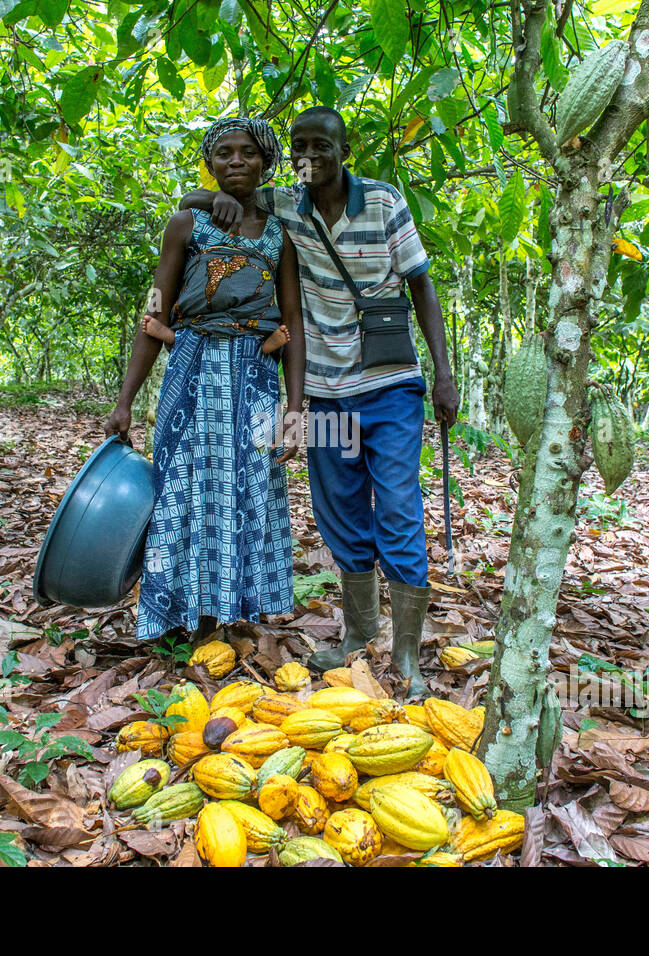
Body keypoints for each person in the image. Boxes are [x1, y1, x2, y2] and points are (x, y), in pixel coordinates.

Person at [182, 106, 459, 698]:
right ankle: (359, 637)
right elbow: (193, 198)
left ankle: (406, 654)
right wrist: (213, 202)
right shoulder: (286, 205)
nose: (310, 157)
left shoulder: (384, 201)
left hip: (390, 388)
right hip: (327, 396)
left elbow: (422, 285)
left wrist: (443, 373)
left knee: (400, 509)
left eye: (322, 146)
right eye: (299, 147)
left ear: (344, 149)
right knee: (341, 516)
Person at [107, 117, 306, 645]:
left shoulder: (279, 232)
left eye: (247, 153)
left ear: (266, 162)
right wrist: (125, 400)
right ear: (210, 163)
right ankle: (182, 615)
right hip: (191, 373)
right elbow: (156, 306)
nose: (235, 162)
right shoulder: (185, 225)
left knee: (248, 491)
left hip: (255, 377)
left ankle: (231, 613)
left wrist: (295, 410)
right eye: (223, 154)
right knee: (185, 486)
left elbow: (294, 318)